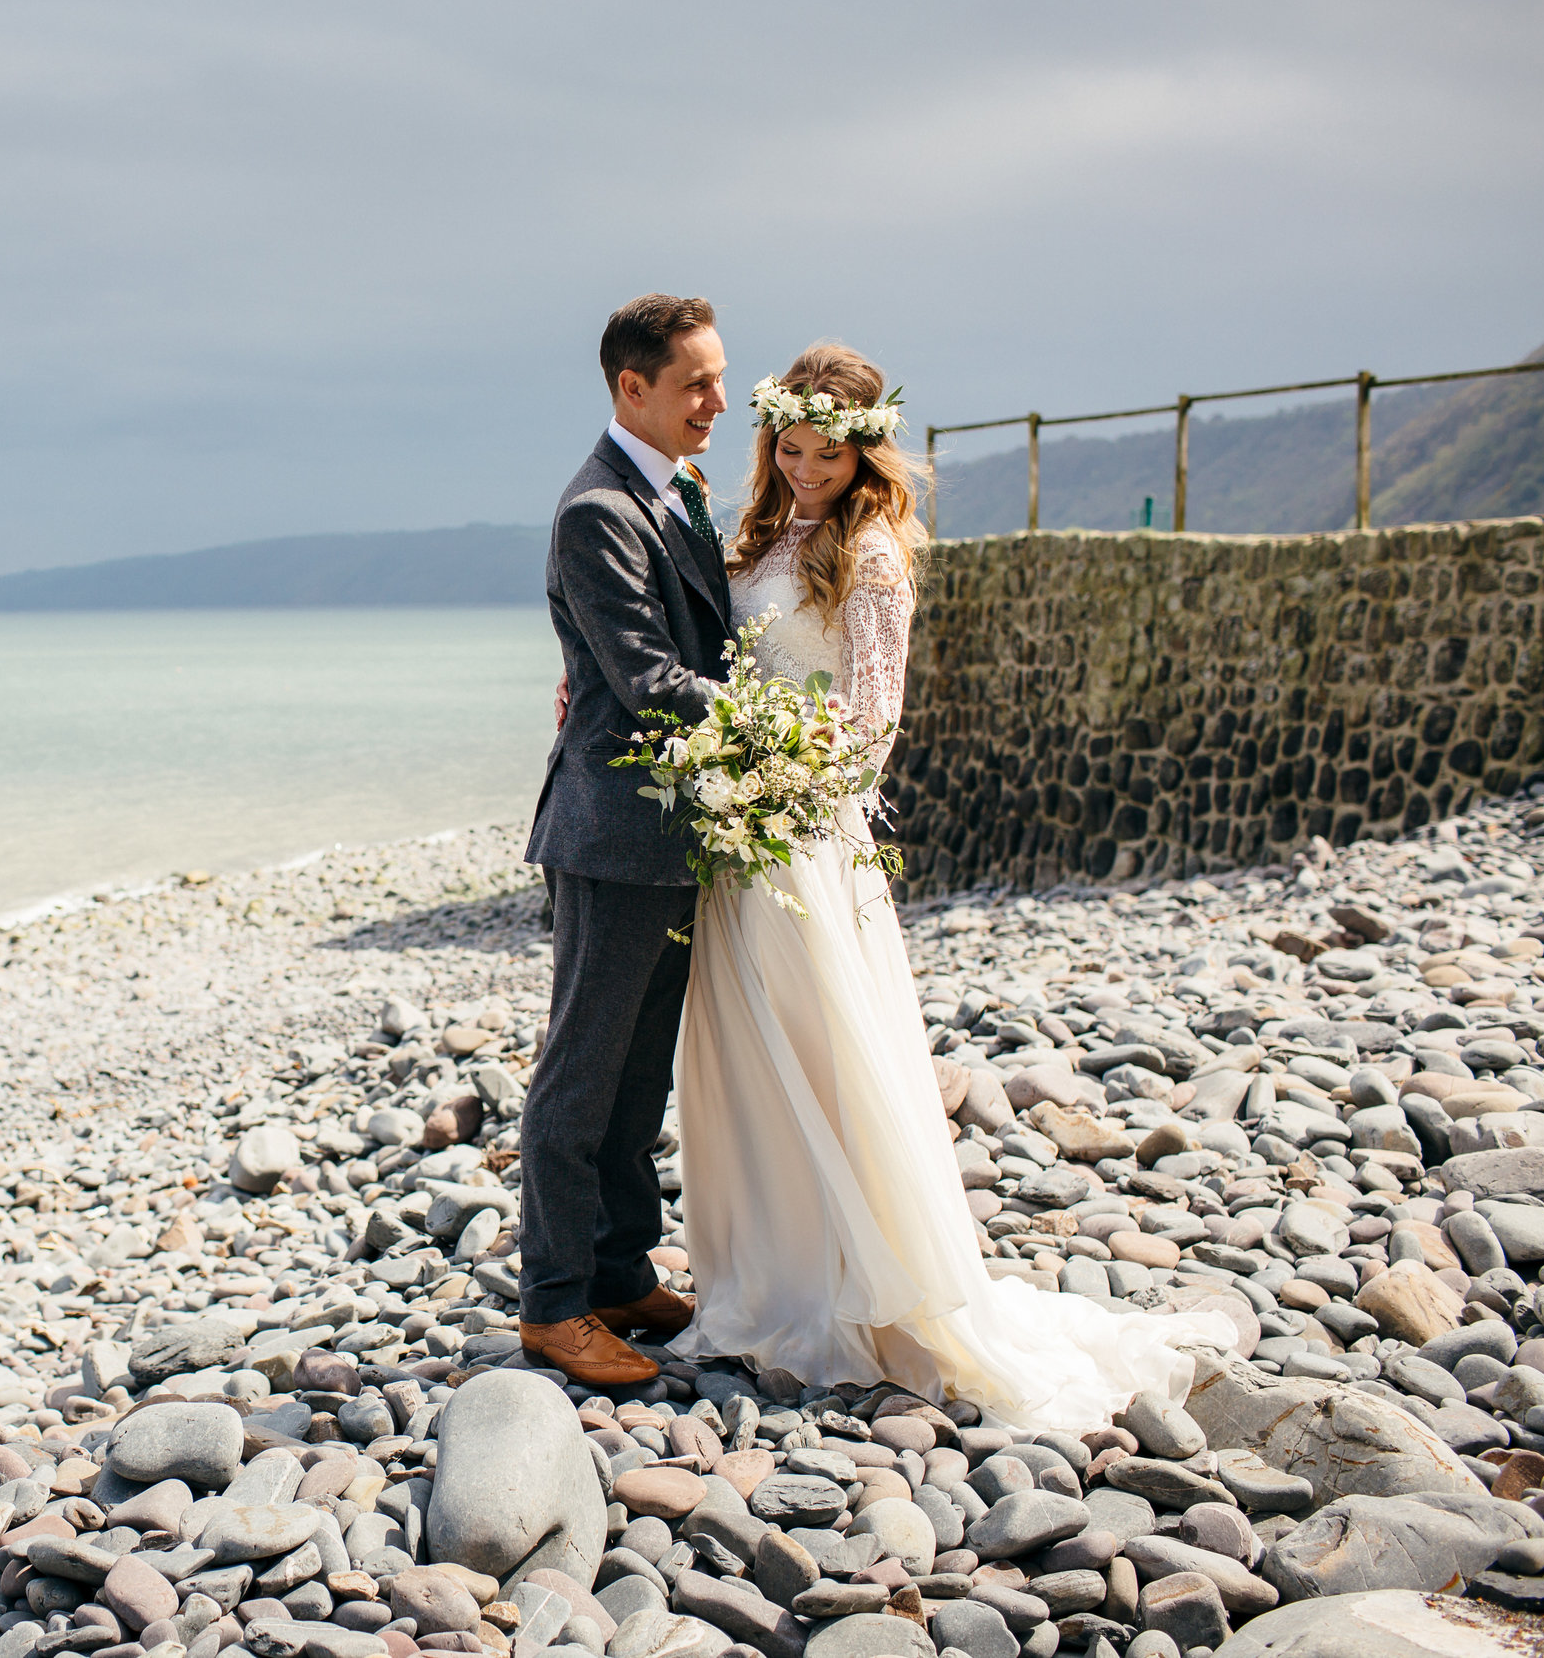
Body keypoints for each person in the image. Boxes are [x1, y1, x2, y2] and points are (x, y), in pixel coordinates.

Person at [668, 342, 1233, 1427]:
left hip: (804, 836)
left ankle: (853, 1286)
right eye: (788, 450)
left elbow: (873, 720)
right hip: (736, 835)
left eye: (826, 456)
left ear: (865, 448)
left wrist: (785, 795)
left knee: (822, 1050)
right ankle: (756, 1277)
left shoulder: (871, 551)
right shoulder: (754, 530)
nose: (805, 472)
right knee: (744, 1054)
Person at [517, 294, 734, 1386]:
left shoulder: (678, 491)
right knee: (579, 1077)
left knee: (639, 1075)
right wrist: (782, 721)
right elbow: (648, 678)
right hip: (611, 833)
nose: (718, 400)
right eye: (695, 381)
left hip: (677, 831)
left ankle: (616, 1268)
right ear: (630, 388)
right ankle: (553, 1303)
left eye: (718, 376)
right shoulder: (598, 510)